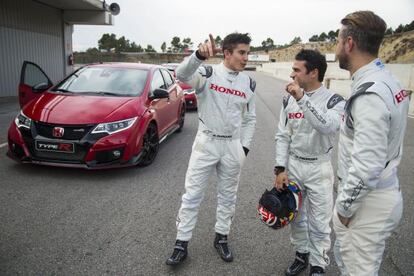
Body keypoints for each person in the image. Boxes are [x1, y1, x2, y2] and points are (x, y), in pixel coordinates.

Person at [166, 33, 256, 265]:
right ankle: (181, 243)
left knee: (228, 196)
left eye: (247, 52)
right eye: (241, 53)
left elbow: (250, 119)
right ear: (227, 53)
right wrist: (198, 56)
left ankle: (221, 238)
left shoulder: (249, 83)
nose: (246, 58)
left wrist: (243, 148)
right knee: (193, 194)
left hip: (232, 145)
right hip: (206, 142)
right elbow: (182, 74)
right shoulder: (208, 73)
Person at [333, 11, 410, 276]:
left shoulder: (369, 95)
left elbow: (367, 167)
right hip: (380, 192)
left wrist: (344, 209)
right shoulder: (386, 79)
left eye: (337, 39)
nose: (335, 46)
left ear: (350, 43)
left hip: (368, 203)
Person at [274, 49, 345, 276]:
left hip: (319, 167)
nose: (292, 74)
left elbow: (327, 126)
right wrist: (280, 169)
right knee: (295, 216)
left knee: (320, 222)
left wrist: (302, 99)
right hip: (294, 165)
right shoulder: (288, 99)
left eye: (296, 69)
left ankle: (318, 265)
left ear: (313, 73)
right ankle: (301, 254)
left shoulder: (335, 100)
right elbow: (283, 135)